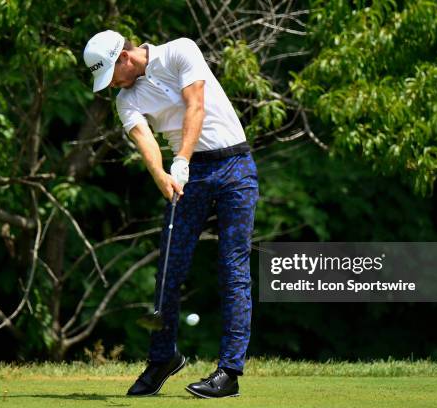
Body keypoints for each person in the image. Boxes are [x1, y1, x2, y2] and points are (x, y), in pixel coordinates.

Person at [83, 30, 259, 399]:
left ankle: (229, 372)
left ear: (124, 58)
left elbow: (195, 105)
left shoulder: (180, 51)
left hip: (234, 166)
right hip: (187, 180)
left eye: (112, 75)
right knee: (169, 270)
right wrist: (162, 175)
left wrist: (181, 159)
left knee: (232, 267)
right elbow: (145, 140)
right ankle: (163, 358)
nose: (112, 84)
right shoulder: (125, 99)